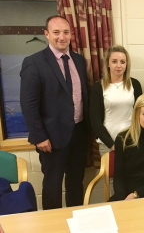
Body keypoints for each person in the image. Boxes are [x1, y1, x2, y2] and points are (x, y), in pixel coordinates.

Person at [20, 15, 89, 209]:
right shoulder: (34, 63)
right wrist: (39, 136)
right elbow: (28, 104)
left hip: (78, 133)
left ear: (71, 34)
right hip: (51, 139)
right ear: (47, 35)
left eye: (66, 32)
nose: (62, 37)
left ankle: (76, 222)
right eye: (56, 32)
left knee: (76, 183)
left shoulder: (79, 61)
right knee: (52, 186)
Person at [90, 45, 142, 155]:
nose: (119, 66)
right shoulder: (98, 87)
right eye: (114, 61)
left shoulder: (135, 84)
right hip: (107, 144)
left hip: (131, 141)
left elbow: (140, 114)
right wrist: (111, 144)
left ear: (127, 64)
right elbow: (95, 120)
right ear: (108, 63)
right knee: (111, 172)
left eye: (122, 62)